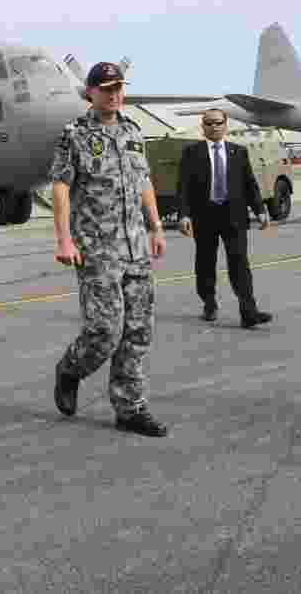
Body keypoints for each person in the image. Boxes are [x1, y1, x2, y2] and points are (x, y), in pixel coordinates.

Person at [49, 62, 168, 437]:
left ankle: (130, 408)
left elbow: (143, 181)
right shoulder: (75, 134)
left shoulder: (133, 131)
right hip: (98, 249)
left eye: (118, 87)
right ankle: (71, 369)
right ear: (90, 92)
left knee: (138, 330)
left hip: (136, 246)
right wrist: (64, 239)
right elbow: (61, 187)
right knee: (105, 330)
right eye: (106, 88)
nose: (114, 94)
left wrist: (156, 226)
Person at [178, 108, 273, 328]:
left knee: (240, 263)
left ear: (225, 125)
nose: (214, 127)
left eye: (218, 123)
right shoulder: (192, 152)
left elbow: (249, 184)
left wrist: (260, 210)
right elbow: (183, 186)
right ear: (203, 127)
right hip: (204, 217)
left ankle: (249, 312)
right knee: (205, 263)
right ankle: (209, 302)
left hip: (234, 216)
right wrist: (184, 214)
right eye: (209, 123)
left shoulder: (238, 152)